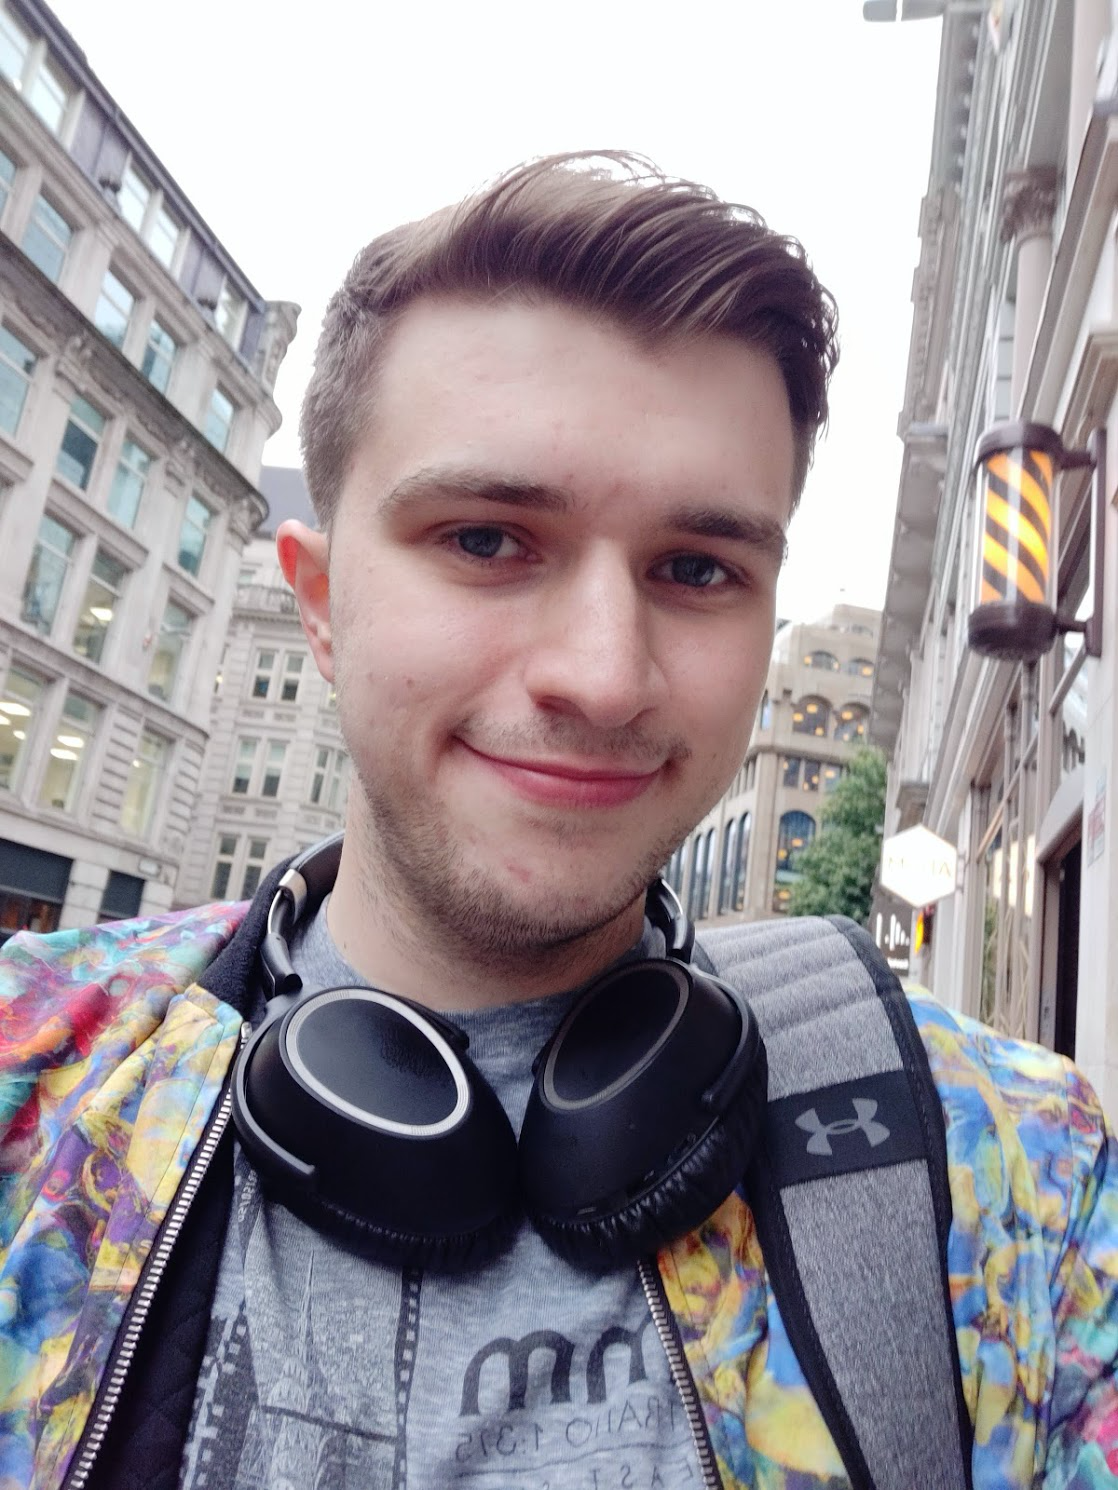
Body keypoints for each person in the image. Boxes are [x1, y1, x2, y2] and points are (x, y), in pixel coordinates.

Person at [1, 153, 1115, 1490]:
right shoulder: (31, 1083)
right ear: (319, 602)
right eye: (486, 540)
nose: (602, 674)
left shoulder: (1019, 1180)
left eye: (696, 567)